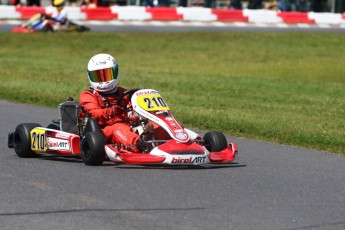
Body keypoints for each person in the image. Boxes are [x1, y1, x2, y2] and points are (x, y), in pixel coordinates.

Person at [79, 54, 169, 152]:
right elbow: (95, 113)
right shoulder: (88, 95)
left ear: (116, 72)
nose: (104, 80)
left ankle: (176, 139)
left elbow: (131, 109)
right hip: (102, 131)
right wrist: (110, 111)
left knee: (158, 126)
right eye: (98, 76)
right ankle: (140, 144)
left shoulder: (123, 93)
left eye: (107, 74)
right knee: (119, 128)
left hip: (128, 127)